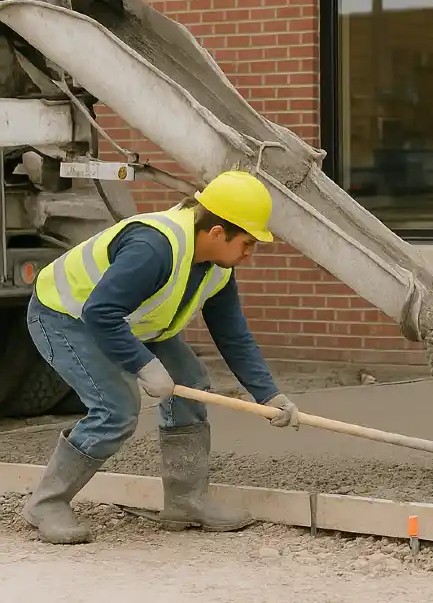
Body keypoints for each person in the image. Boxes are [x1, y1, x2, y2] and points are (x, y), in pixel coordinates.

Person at [21, 170, 300, 544]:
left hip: (126, 321)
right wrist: (144, 365)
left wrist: (269, 395)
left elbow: (233, 334)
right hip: (65, 316)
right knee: (116, 409)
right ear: (217, 233)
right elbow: (100, 312)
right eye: (248, 243)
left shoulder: (217, 267)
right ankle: (47, 502)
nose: (250, 254)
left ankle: (187, 499)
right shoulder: (153, 248)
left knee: (190, 379)